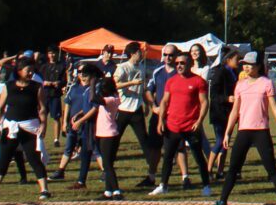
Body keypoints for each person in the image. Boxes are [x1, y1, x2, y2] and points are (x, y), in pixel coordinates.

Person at [211, 54, 276, 205]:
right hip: (244, 131)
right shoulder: (240, 85)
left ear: (258, 66)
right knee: (233, 168)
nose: (246, 67)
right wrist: (228, 132)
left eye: (250, 64)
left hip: (261, 131)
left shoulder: (266, 83)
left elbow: (274, 107)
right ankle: (222, 201)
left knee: (271, 169)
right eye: (244, 64)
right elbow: (235, 110)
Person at [0, 59, 52, 201]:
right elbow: (0, 107)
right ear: (19, 71)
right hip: (10, 127)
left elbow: (42, 108)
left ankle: (44, 189)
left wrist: (43, 125)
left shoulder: (36, 87)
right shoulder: (9, 86)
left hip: (29, 127)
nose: (30, 73)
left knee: (34, 158)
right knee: (3, 159)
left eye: (32, 70)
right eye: (27, 70)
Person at [155, 51, 214, 196]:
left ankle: (206, 186)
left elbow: (204, 102)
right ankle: (163, 185)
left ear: (190, 64)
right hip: (172, 125)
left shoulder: (198, 81)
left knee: (198, 156)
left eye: (182, 63)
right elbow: (164, 101)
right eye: (177, 63)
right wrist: (160, 120)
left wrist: (199, 121)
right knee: (168, 156)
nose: (179, 66)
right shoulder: (171, 81)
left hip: (191, 126)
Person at [111, 42, 162, 192]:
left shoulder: (141, 66)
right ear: (132, 53)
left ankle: (151, 170)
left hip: (137, 109)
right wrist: (131, 82)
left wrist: (147, 104)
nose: (142, 54)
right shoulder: (123, 67)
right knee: (115, 139)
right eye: (139, 52)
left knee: (144, 139)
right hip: (123, 108)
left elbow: (143, 88)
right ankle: (108, 167)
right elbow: (115, 85)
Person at [205, 47, 242, 180]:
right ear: (228, 60)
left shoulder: (235, 72)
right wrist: (227, 98)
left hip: (229, 113)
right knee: (220, 140)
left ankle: (220, 171)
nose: (239, 61)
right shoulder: (220, 72)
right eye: (237, 59)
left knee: (226, 142)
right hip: (219, 113)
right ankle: (208, 170)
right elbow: (213, 94)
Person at [62, 62, 100, 188]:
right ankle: (81, 181)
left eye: (86, 75)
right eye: (81, 74)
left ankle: (109, 180)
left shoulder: (97, 88)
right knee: (86, 153)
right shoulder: (88, 89)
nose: (83, 77)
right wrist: (78, 114)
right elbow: (86, 107)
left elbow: (95, 108)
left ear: (93, 76)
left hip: (95, 125)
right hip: (86, 125)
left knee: (97, 151)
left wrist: (80, 120)